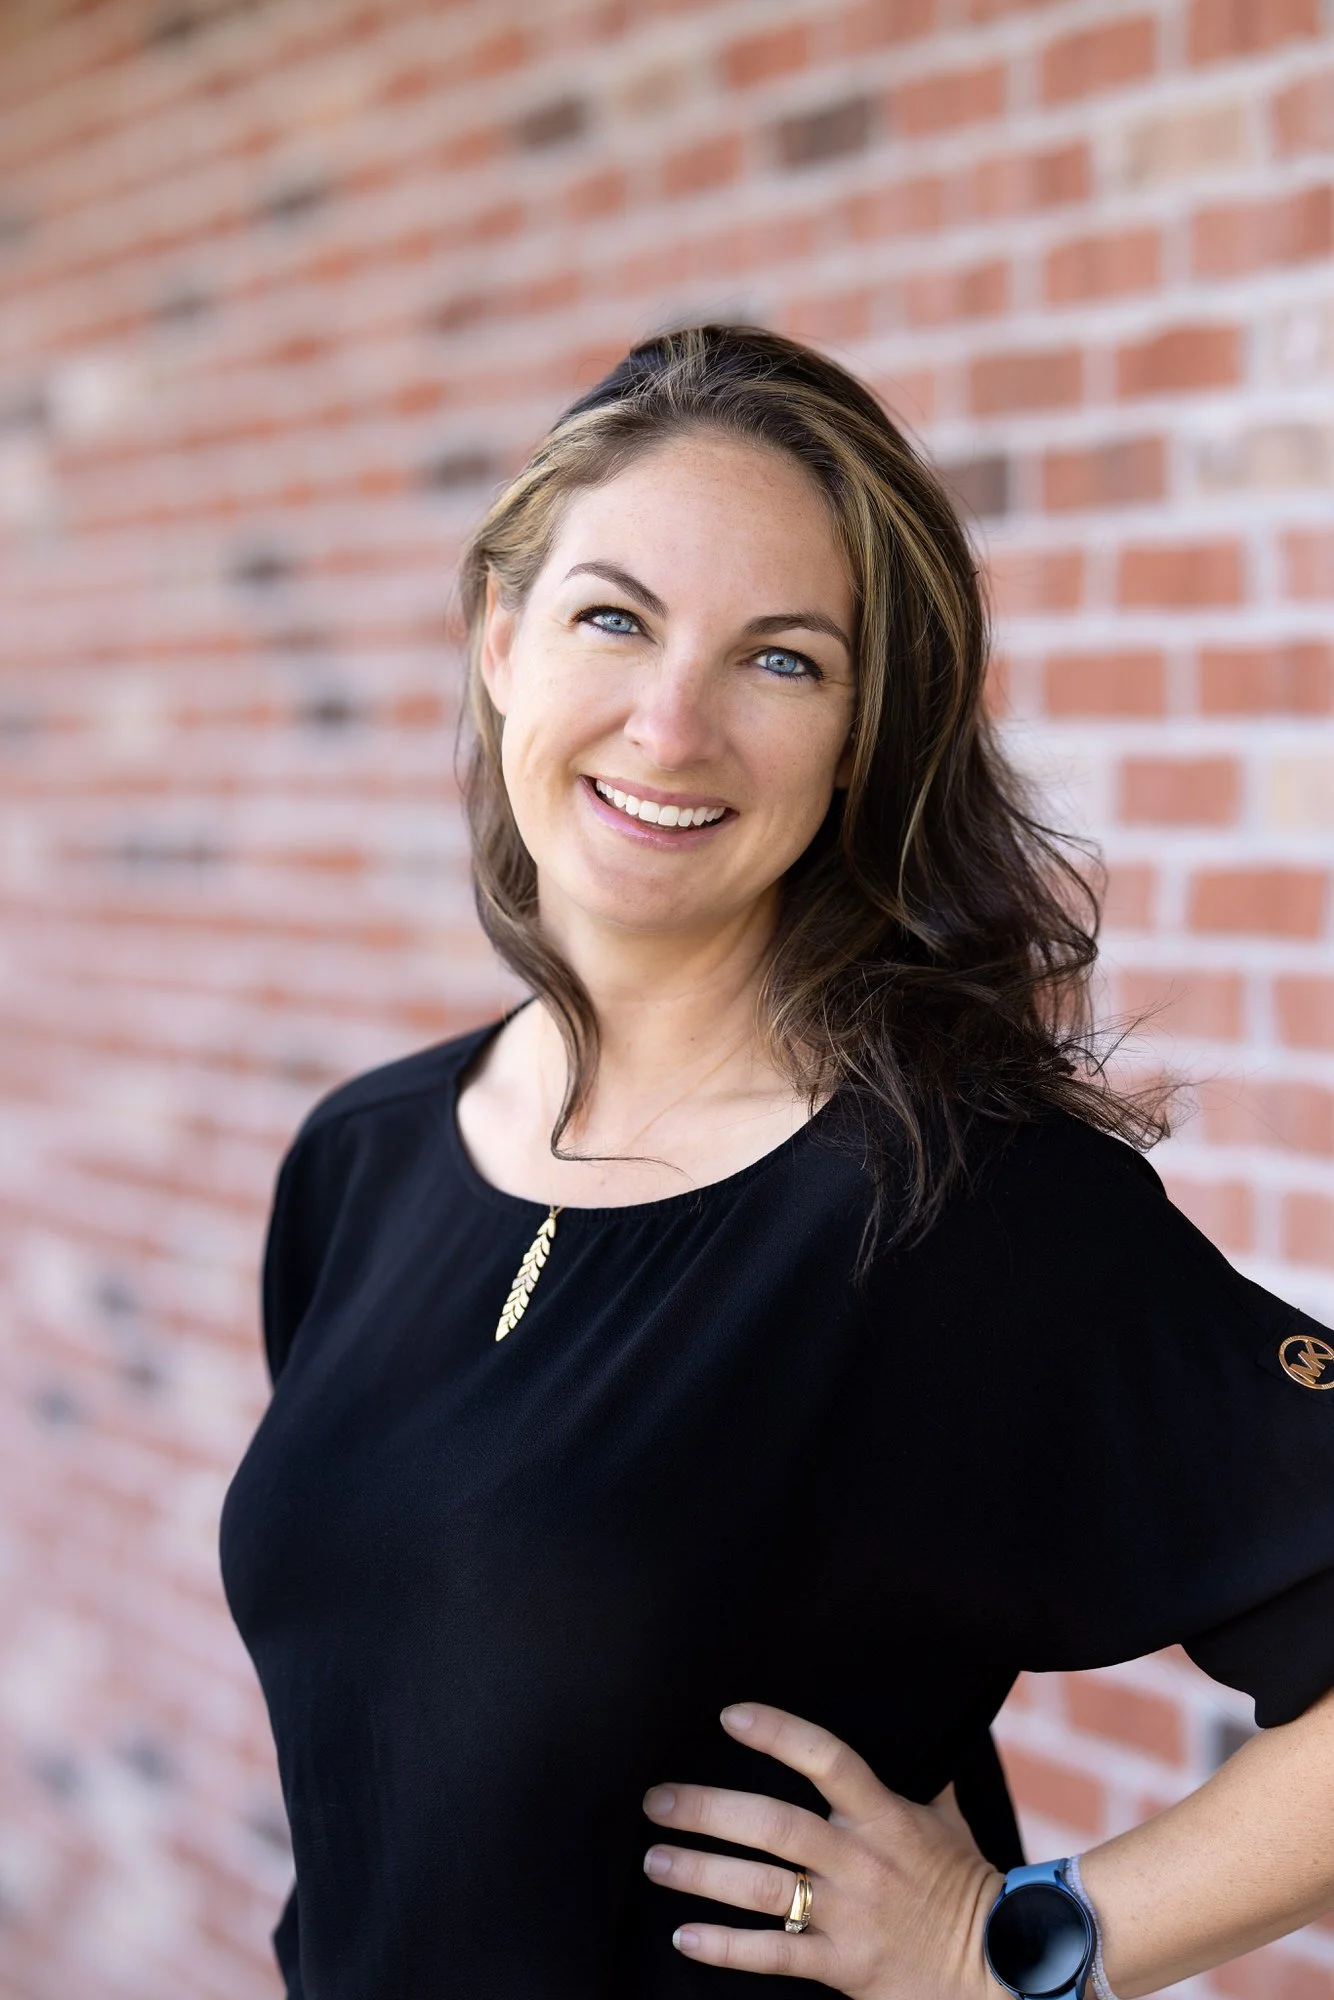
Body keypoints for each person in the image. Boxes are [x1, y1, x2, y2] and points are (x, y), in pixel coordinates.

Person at [219, 323, 1334, 2000]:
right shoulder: (361, 1163)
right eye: (614, 618)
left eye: (782, 660)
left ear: (863, 736)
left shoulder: (953, 1203)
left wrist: (1006, 1943)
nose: (670, 727)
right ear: (500, 642)